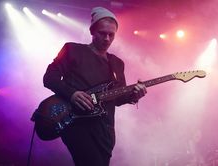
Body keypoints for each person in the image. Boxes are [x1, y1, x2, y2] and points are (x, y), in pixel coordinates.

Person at [43, 7, 147, 166]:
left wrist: (134, 95)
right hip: (77, 123)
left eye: (111, 35)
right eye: (102, 33)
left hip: (104, 131)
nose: (107, 38)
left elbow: (117, 98)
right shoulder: (72, 50)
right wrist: (72, 94)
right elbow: (50, 78)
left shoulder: (117, 63)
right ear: (92, 31)